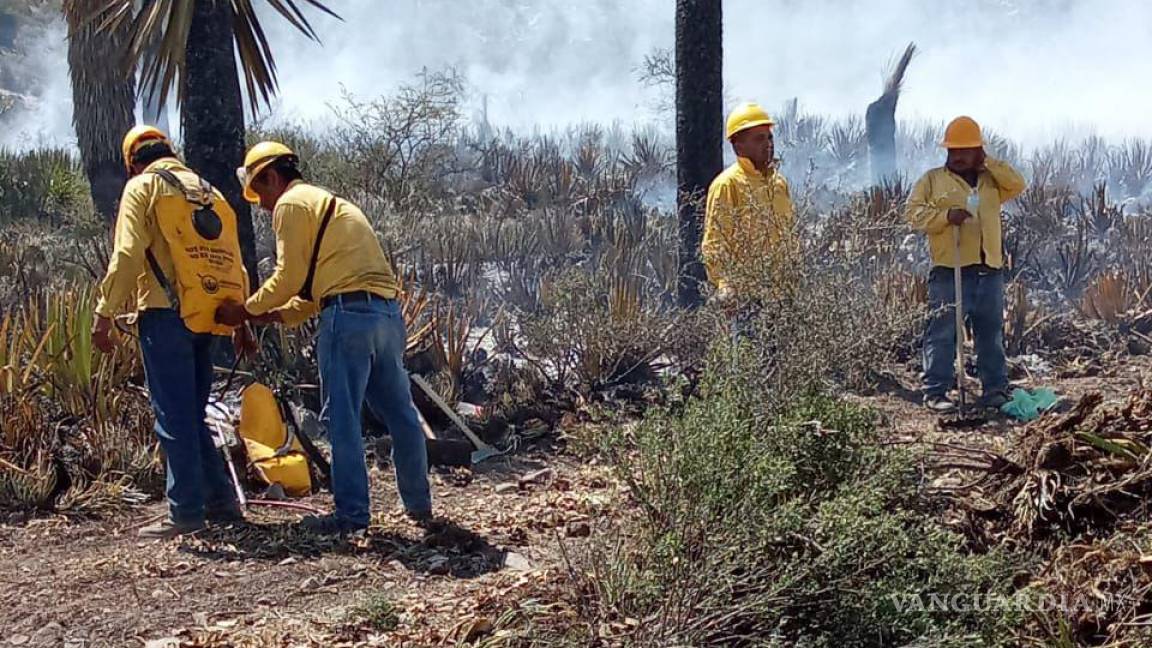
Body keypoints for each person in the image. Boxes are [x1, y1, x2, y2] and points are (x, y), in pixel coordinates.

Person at [214, 141, 432, 534]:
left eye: (260, 191)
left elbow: (289, 279)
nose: (262, 205)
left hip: (347, 320)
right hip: (385, 315)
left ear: (272, 177)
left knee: (342, 419)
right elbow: (313, 296)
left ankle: (351, 516)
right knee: (400, 414)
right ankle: (418, 505)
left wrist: (244, 311)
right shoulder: (330, 205)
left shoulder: (291, 205)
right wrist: (272, 317)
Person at [93, 125, 251, 539]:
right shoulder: (208, 190)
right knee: (193, 415)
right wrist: (243, 322)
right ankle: (220, 503)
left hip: (165, 317)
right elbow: (235, 260)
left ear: (132, 163)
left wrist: (105, 313)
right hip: (211, 316)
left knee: (174, 417)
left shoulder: (143, 187)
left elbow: (127, 254)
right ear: (170, 151)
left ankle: (185, 512)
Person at [906, 116, 1026, 413]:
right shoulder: (933, 181)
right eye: (953, 150)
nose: (957, 156)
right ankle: (936, 391)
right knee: (943, 331)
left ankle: (995, 389)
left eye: (965, 150)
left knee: (990, 331)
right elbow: (913, 213)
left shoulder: (991, 182)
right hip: (951, 269)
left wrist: (990, 164)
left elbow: (1018, 184)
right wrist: (946, 217)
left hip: (990, 269)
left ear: (978, 152)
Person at [701, 102, 796, 307]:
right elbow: (715, 242)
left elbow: (790, 236)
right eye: (759, 138)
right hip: (744, 299)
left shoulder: (779, 183)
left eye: (769, 137)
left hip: (781, 297)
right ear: (738, 145)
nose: (768, 143)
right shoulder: (727, 185)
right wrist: (725, 286)